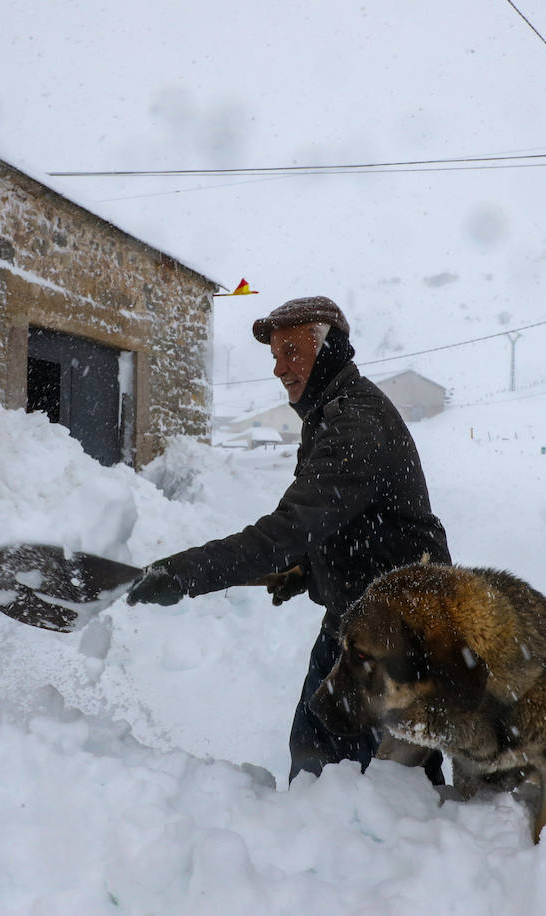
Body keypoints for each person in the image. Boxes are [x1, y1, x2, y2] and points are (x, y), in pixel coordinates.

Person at [126, 295, 451, 784]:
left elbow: (288, 529)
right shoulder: (330, 413)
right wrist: (306, 571)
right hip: (365, 616)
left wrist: (185, 573)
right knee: (345, 764)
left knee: (369, 775)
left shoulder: (356, 423)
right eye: (275, 355)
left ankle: (390, 848)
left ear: (330, 350)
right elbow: (338, 522)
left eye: (292, 351)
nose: (279, 368)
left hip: (401, 631)